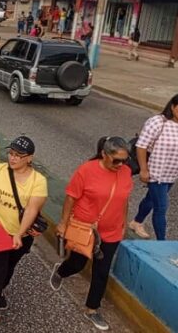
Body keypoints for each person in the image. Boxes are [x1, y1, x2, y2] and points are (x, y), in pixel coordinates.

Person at [51, 137, 133, 331]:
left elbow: (124, 199)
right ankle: (61, 271)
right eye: (116, 160)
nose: (121, 165)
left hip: (111, 232)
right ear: (104, 154)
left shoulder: (126, 172)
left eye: (124, 160)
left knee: (102, 271)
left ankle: (92, 308)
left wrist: (123, 224)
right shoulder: (86, 170)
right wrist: (63, 223)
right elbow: (71, 197)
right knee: (77, 264)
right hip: (86, 230)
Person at [0, 136, 47, 333]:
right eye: (11, 153)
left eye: (19, 155)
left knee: (9, 270)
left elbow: (32, 210)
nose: (13, 158)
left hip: (20, 238)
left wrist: (19, 234)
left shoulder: (38, 181)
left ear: (30, 158)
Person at [128, 94, 178, 240]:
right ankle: (162, 243)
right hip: (156, 173)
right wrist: (144, 169)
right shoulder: (158, 122)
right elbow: (141, 146)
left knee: (151, 199)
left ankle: (136, 222)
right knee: (161, 208)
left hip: (172, 173)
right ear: (172, 106)